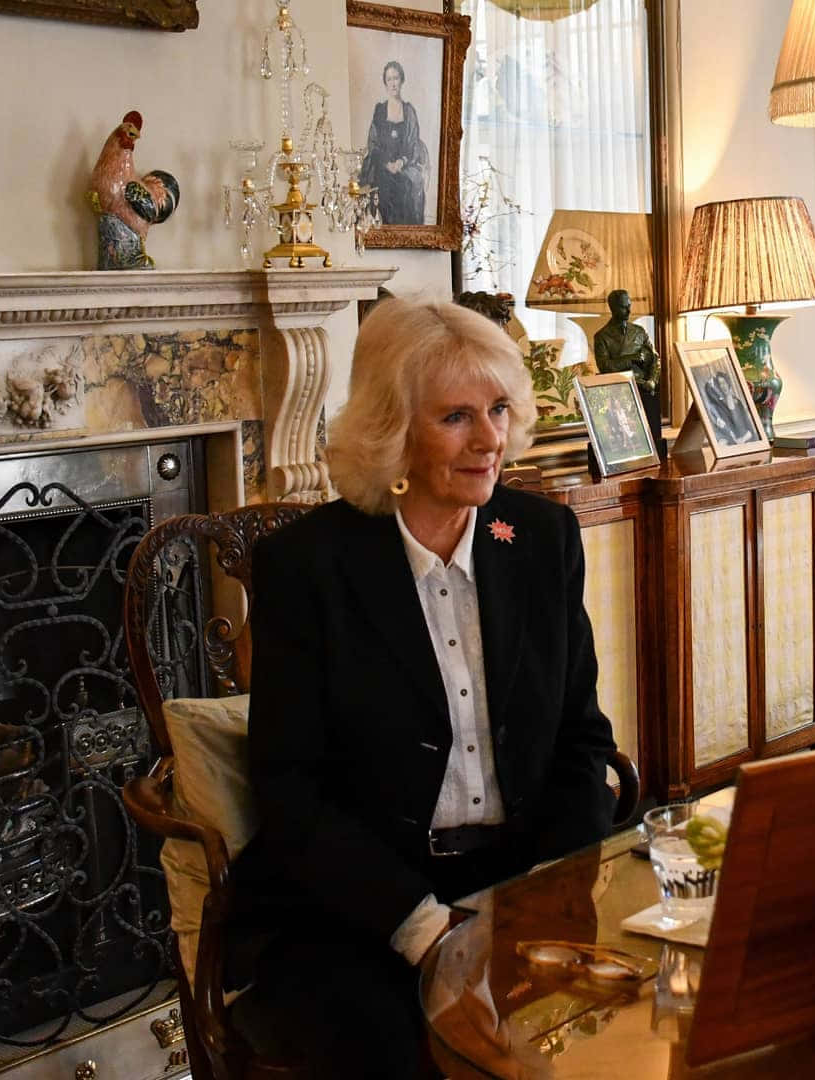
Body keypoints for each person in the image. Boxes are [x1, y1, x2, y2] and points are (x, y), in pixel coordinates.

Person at [226, 298, 618, 1078]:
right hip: (361, 909)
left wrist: (544, 890)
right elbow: (289, 790)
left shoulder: (540, 540)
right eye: (456, 418)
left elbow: (582, 739)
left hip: (519, 876)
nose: (490, 440)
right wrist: (425, 928)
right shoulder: (308, 569)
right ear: (390, 430)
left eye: (499, 409)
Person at [593, 289, 663, 454]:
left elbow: (654, 359)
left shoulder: (639, 331)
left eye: (629, 306)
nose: (629, 311)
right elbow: (605, 367)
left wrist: (652, 380)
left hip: (644, 390)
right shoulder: (602, 336)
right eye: (624, 307)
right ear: (613, 308)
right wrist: (631, 358)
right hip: (619, 392)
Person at [360, 60, 429, 225]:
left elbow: (413, 143)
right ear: (385, 83)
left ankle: (405, 236)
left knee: (408, 184)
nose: (393, 83)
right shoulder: (379, 110)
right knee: (381, 185)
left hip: (404, 165)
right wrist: (386, 163)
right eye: (389, 79)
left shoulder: (409, 111)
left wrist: (401, 162)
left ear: (402, 81)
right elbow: (373, 143)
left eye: (396, 78)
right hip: (381, 165)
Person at [701, 368, 758, 445]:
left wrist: (743, 440)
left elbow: (748, 425)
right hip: (733, 444)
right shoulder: (719, 405)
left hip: (747, 441)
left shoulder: (737, 402)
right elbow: (723, 429)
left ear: (728, 383)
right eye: (720, 384)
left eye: (724, 383)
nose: (723, 386)